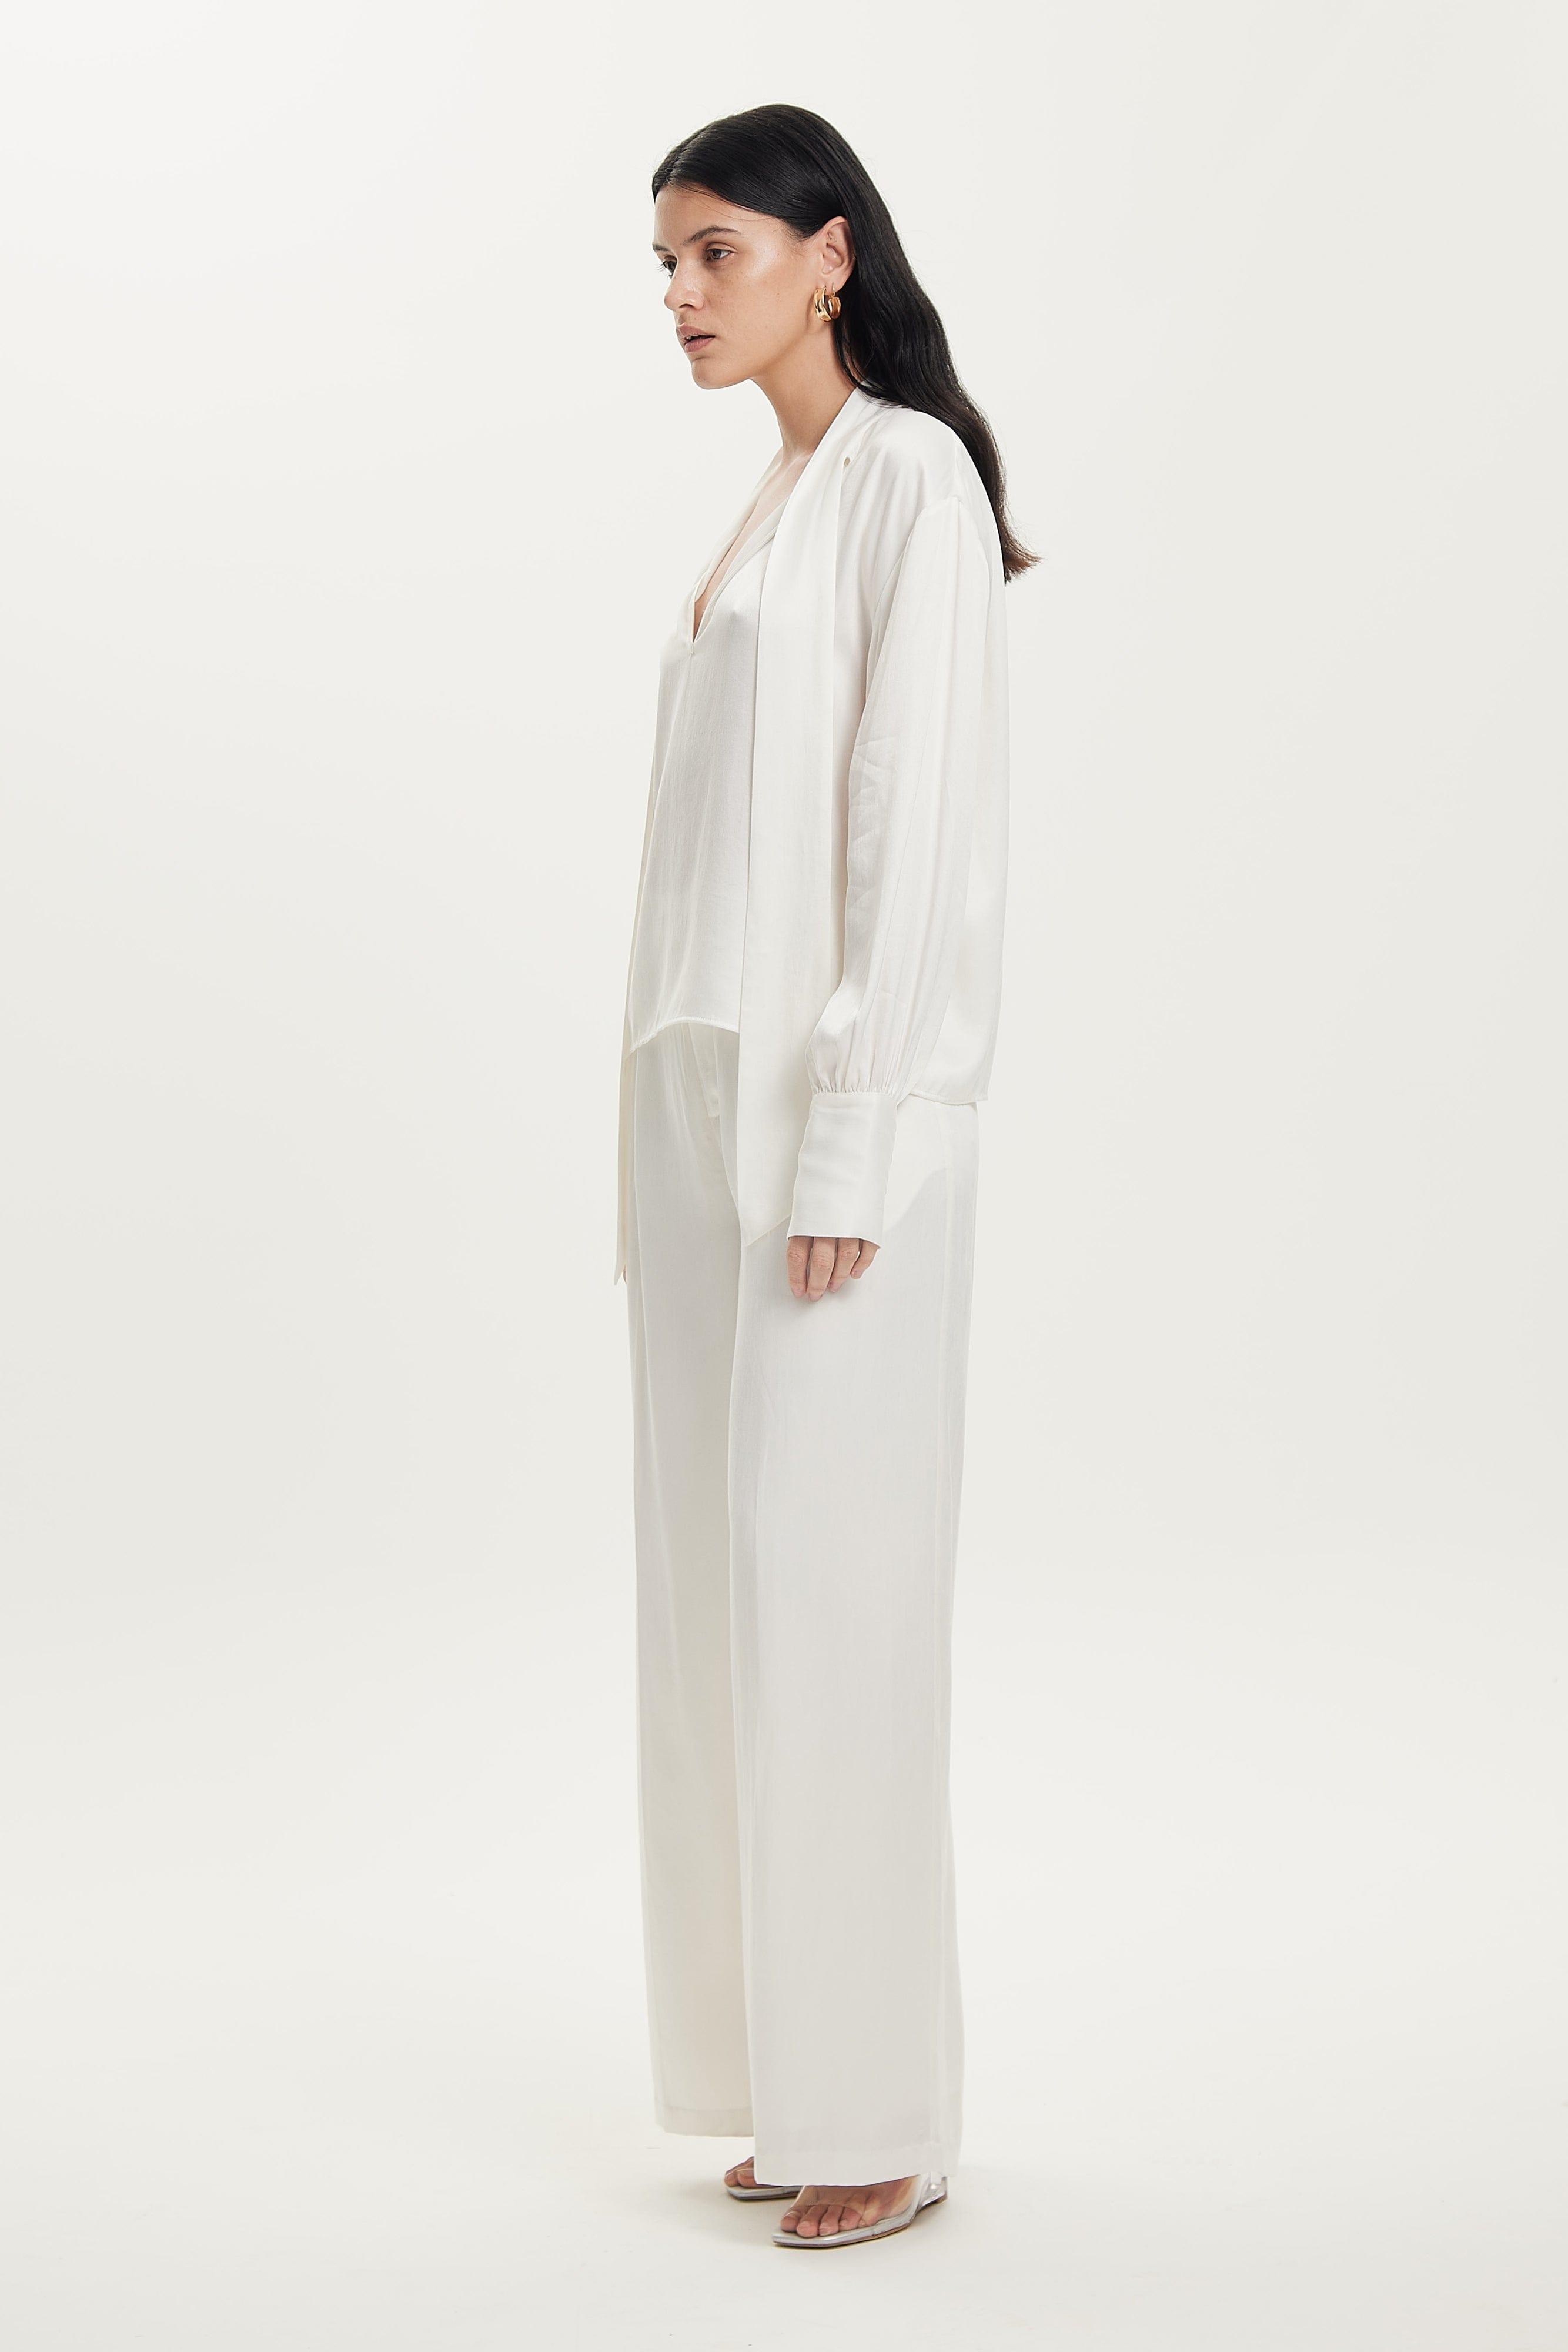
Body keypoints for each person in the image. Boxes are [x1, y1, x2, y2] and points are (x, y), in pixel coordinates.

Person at [613, 103, 1033, 2250]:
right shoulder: (772, 499)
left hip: (828, 1134)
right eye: (664, 265)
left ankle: (884, 2111)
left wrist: (858, 1122)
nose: (682, 296)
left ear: (828, 253)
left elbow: (915, 824)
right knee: (725, 1611)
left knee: (836, 1599)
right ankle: (792, 2073)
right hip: (702, 1119)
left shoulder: (904, 479)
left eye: (716, 252)